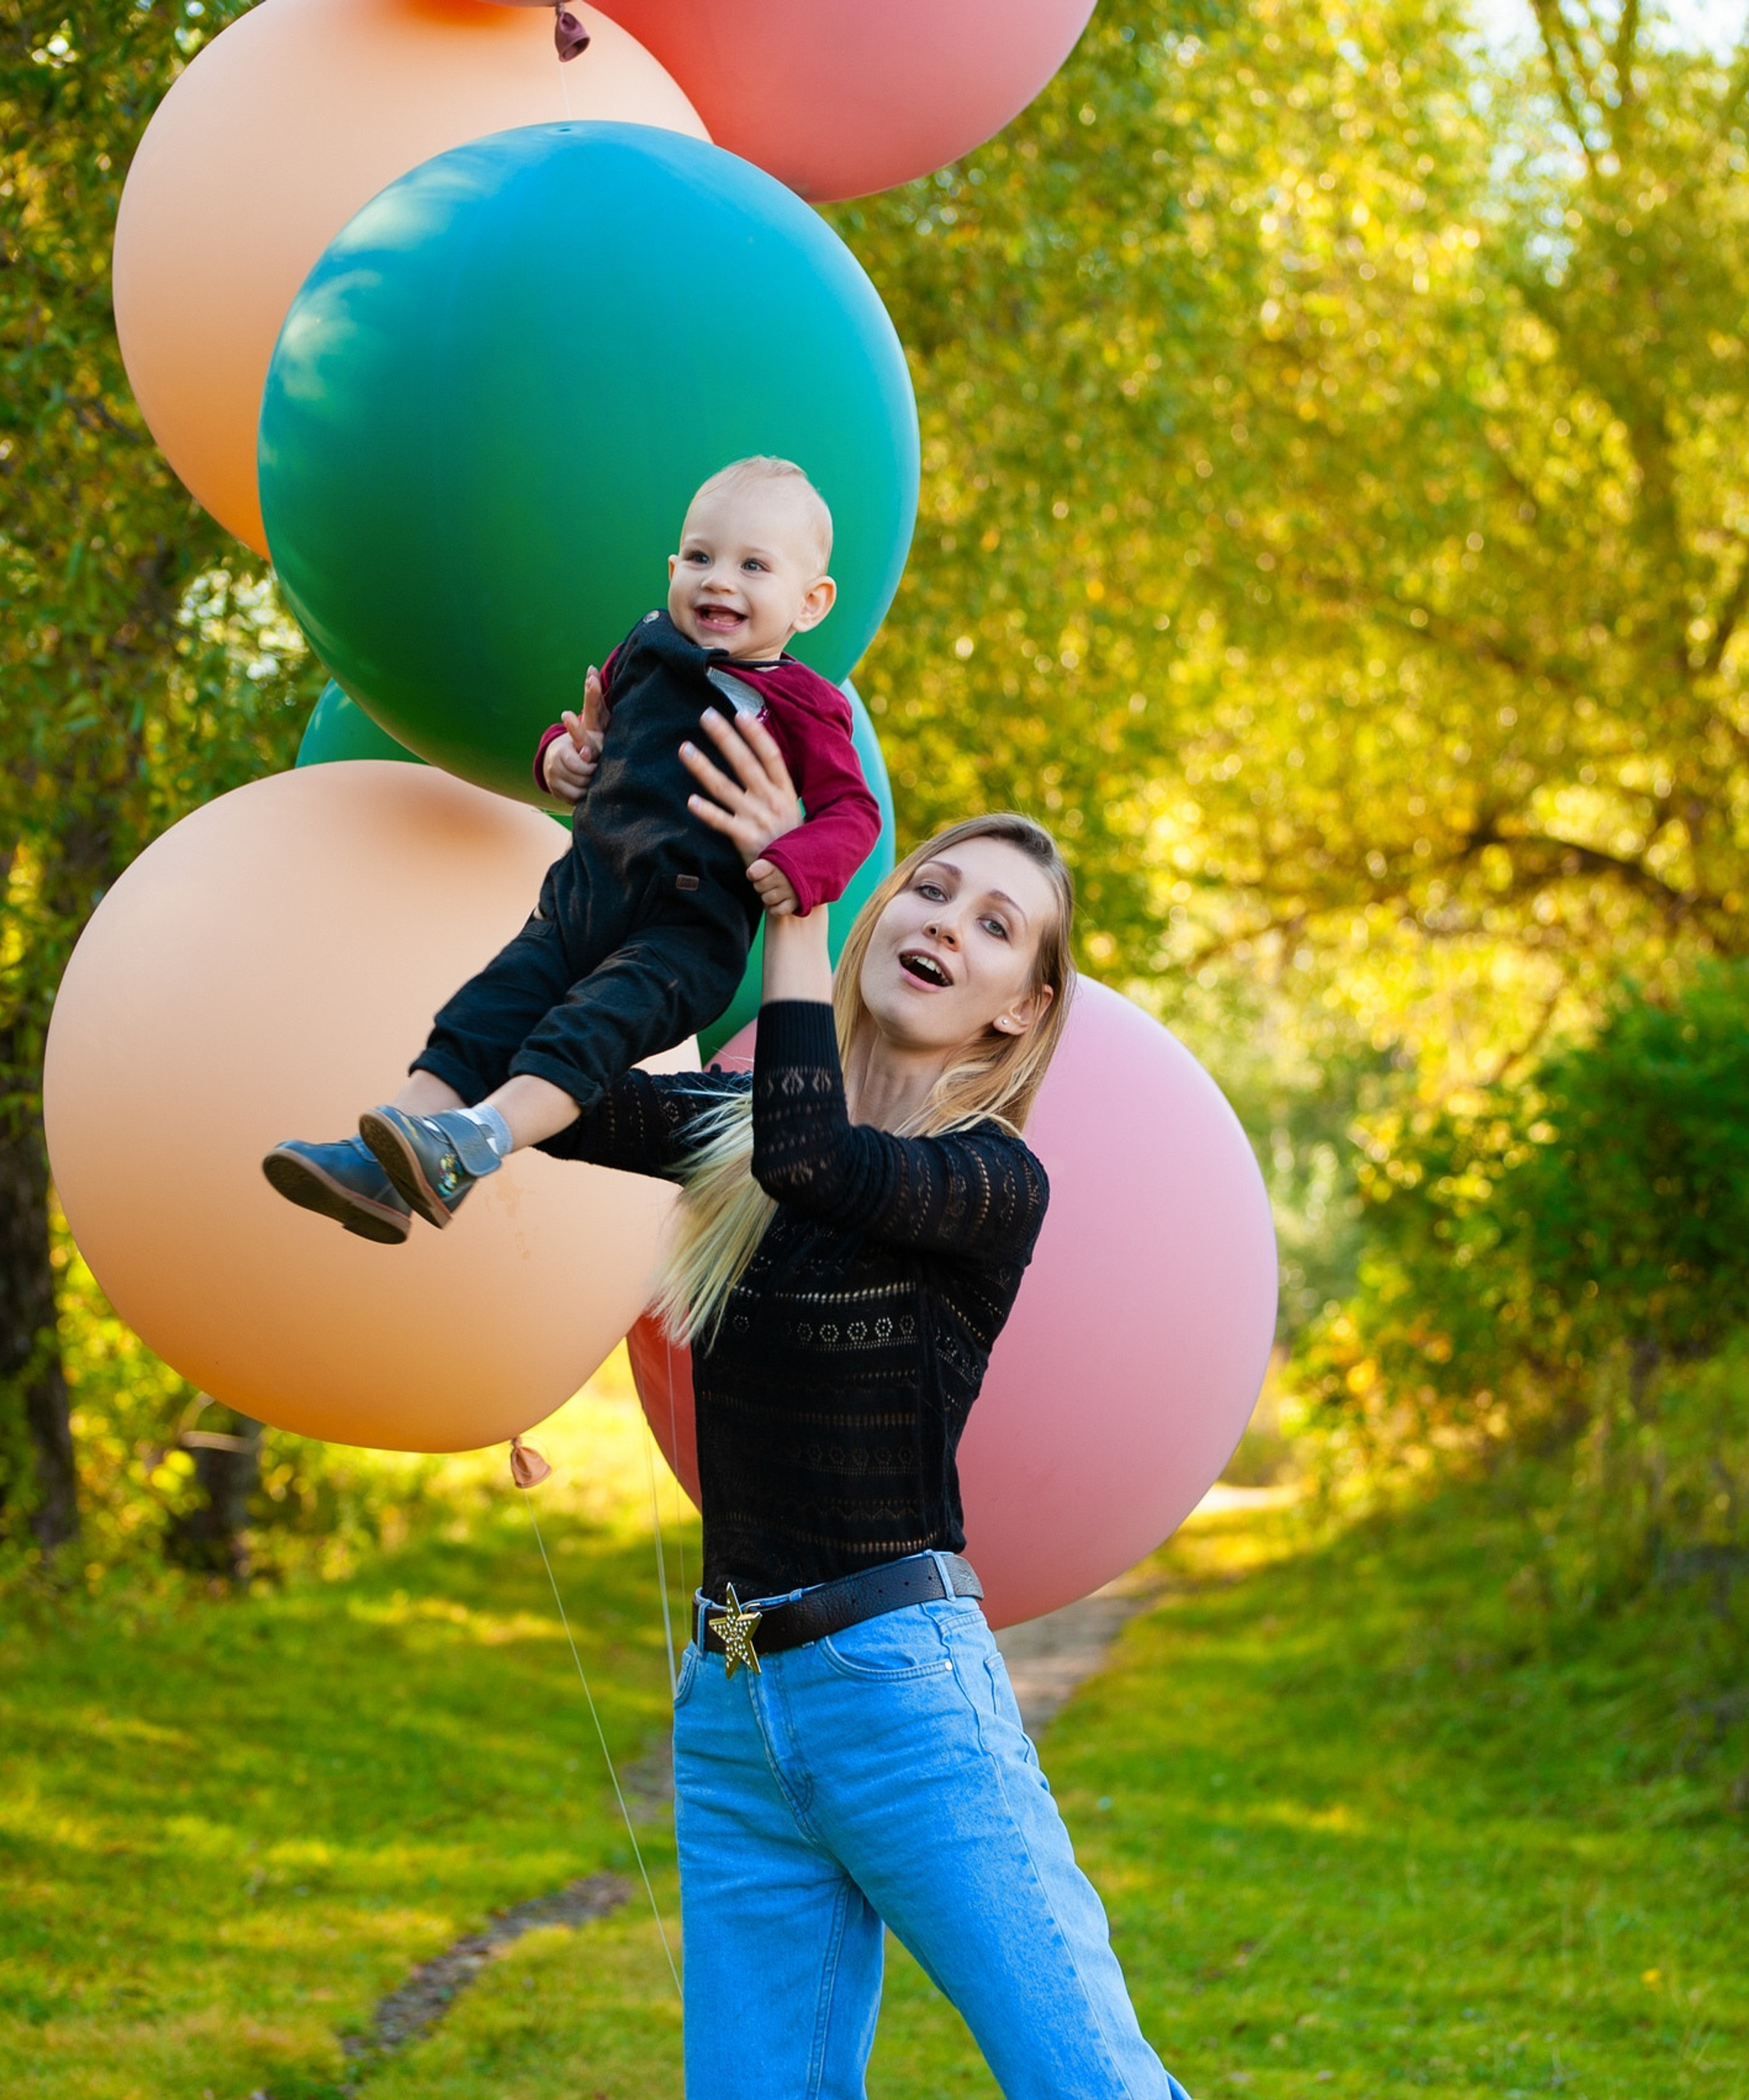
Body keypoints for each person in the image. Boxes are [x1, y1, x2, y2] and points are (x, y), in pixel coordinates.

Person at [540, 711, 1190, 2100]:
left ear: (1021, 1004)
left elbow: (814, 1155)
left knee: (1093, 2084)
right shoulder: (738, 1125)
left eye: (1000, 923)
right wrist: (607, 837)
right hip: (728, 1711)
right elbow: (566, 1090)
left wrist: (791, 903)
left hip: (901, 1701)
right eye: (934, 885)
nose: (948, 918)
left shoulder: (987, 1184)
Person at [262, 455, 881, 1244]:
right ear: (672, 567)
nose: (718, 581)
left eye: (753, 566)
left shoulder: (803, 706)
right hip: (580, 900)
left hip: (682, 935)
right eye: (699, 557)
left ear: (811, 603)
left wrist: (796, 863)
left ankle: (473, 1144)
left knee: (585, 1030)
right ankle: (383, 1160)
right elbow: (593, 737)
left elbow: (851, 812)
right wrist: (562, 756)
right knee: (482, 1015)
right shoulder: (650, 643)